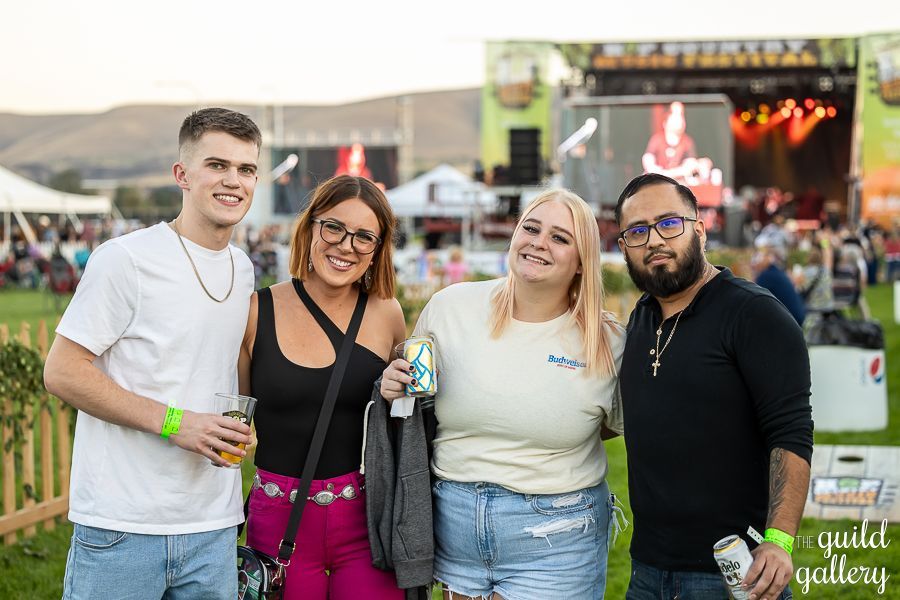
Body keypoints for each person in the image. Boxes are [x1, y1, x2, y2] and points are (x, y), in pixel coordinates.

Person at [43, 108, 261, 599]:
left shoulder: (243, 268)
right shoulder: (126, 260)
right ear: (182, 174)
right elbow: (62, 371)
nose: (233, 181)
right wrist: (176, 423)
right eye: (217, 165)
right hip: (123, 524)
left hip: (214, 524)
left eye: (246, 169)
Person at [381, 189, 625, 600]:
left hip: (557, 535)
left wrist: (546, 430)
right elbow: (418, 400)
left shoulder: (607, 341)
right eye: (531, 228)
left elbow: (618, 423)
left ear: (583, 261)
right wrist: (394, 386)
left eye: (559, 238)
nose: (538, 242)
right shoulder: (450, 308)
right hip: (454, 527)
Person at [614, 173, 813, 600]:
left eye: (669, 223)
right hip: (647, 571)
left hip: (733, 573)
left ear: (700, 230)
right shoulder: (641, 317)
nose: (654, 240)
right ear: (624, 247)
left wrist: (779, 541)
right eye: (637, 231)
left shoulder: (754, 314)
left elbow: (791, 434)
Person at [238, 174, 407, 599]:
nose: (346, 246)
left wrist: (400, 392)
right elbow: (232, 416)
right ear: (311, 227)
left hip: (365, 524)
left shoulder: (387, 313)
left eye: (364, 236)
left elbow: (406, 419)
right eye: (334, 227)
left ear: (378, 249)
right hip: (279, 523)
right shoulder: (257, 310)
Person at [752, 245, 806, 326]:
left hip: (791, 322)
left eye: (758, 259)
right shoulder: (776, 272)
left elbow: (753, 298)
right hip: (797, 317)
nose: (754, 263)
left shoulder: (766, 276)